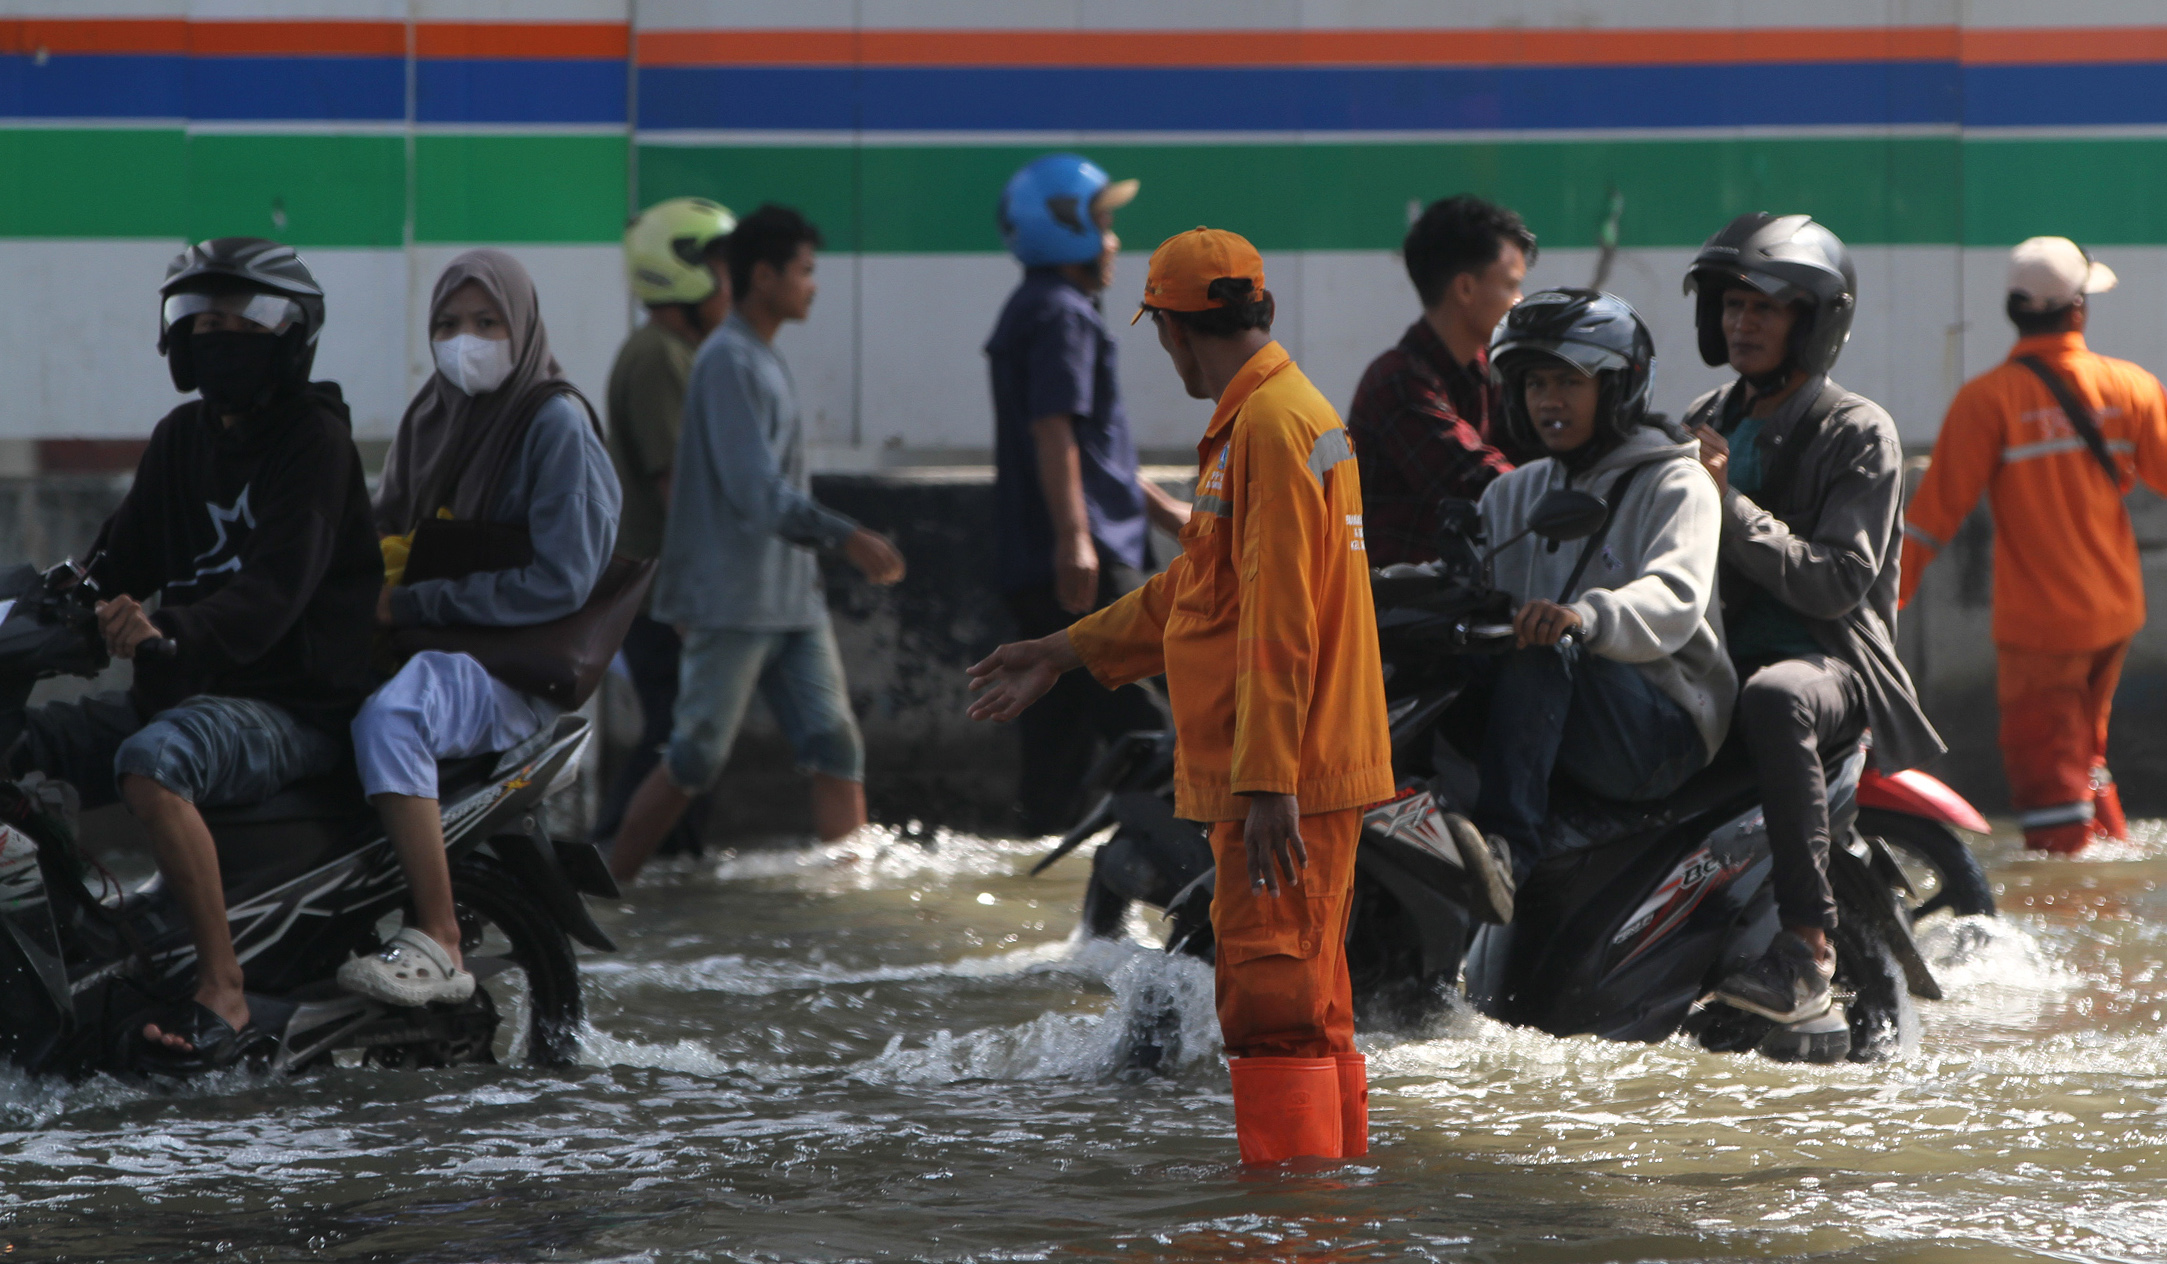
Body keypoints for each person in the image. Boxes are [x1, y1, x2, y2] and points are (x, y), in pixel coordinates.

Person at [967, 228, 1390, 1165]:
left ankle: (1282, 1227)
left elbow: (1280, 619)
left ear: (1172, 327)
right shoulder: (1275, 420)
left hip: (1283, 783)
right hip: (1299, 776)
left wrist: (1268, 780)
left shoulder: (1272, 430)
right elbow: (1193, 596)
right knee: (1313, 1015)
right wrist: (1063, 650)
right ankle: (1332, 1216)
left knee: (1275, 1018)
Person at [9, 238, 381, 1067]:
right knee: (21, 746)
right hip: (186, 691)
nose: (213, 336)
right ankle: (82, 965)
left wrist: (170, 630)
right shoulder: (182, 438)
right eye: (199, 320)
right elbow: (108, 564)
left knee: (152, 762)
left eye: (237, 322)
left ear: (288, 337)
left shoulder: (313, 443)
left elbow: (271, 597)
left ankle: (223, 989)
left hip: (290, 706)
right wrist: (35, 609)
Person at [335, 249, 621, 1006]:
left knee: (392, 720)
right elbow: (381, 528)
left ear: (521, 327)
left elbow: (562, 579)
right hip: (427, 649)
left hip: (504, 669)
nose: (466, 340)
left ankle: (438, 936)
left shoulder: (554, 424)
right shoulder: (431, 415)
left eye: (487, 322)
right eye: (448, 324)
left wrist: (413, 606)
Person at [1682, 212, 1943, 1025]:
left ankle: (1805, 950)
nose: (1741, 322)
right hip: (1712, 656)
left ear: (1813, 322)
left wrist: (1729, 504)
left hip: (1828, 664)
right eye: (1730, 305)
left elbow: (1835, 584)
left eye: (1764, 308)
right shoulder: (1704, 416)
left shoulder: (1855, 430)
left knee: (1775, 696)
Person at [606, 204, 906, 883]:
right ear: (763, 277)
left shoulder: (755, 357)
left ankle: (852, 896)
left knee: (835, 744)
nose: (814, 285)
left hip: (788, 598)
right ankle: (607, 892)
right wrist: (845, 536)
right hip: (734, 599)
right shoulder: (728, 362)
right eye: (804, 271)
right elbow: (753, 491)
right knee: (694, 755)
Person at [1441, 290, 1734, 925]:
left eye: (1569, 382)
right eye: (1536, 383)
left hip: (1662, 724)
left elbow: (1675, 595)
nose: (1549, 399)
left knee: (1546, 647)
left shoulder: (1676, 482)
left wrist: (1586, 617)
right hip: (1566, 711)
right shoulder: (1509, 496)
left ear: (1618, 386)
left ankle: (1507, 856)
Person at [1903, 238, 2167, 853]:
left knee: (2044, 777)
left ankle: (2072, 905)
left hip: (2041, 629)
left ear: (2013, 310)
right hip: (2114, 615)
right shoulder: (2131, 387)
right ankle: (2113, 858)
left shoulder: (1987, 401)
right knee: (2084, 750)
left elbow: (1930, 520)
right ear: (2077, 310)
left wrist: (1882, 602)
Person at [986, 153, 1190, 835]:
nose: (1113, 241)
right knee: (1154, 734)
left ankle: (1039, 890)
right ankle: (1176, 867)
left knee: (1055, 755)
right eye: (1103, 224)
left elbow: (1089, 448)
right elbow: (1054, 434)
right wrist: (1077, 539)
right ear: (1062, 226)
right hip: (1085, 560)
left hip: (1047, 554)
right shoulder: (1060, 316)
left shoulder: (1040, 309)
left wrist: (1161, 510)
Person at [593, 197, 739, 857]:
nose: (733, 288)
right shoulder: (659, 357)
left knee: (682, 733)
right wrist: (695, 592)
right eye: (723, 269)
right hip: (662, 588)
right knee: (675, 737)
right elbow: (677, 486)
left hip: (664, 585)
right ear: (683, 273)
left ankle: (657, 870)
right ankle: (612, 854)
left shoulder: (678, 352)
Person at [1350, 195, 1535, 567]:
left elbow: (1534, 449)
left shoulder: (1489, 369)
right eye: (1512, 285)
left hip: (1456, 604)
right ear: (1465, 289)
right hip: (1400, 611)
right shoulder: (1398, 382)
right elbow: (1485, 485)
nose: (1520, 301)